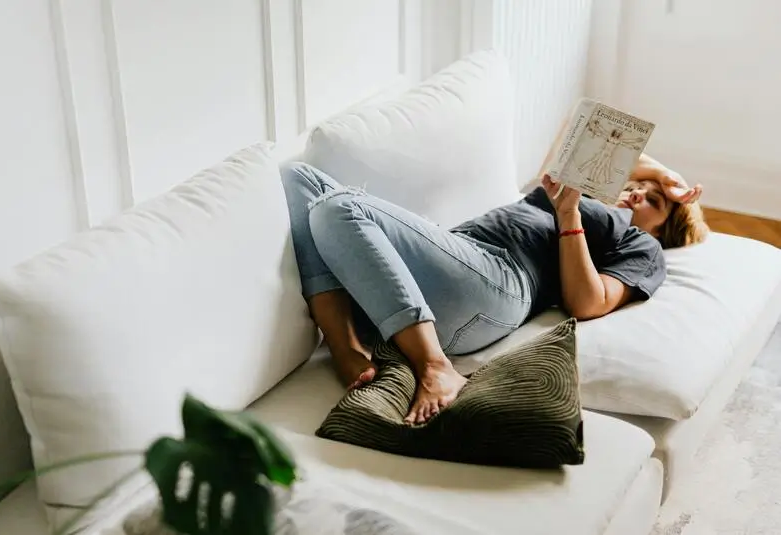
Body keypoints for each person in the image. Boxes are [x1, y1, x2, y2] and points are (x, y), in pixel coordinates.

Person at [280, 152, 709, 426]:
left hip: (498, 285)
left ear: (666, 228)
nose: (636, 195)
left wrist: (569, 215)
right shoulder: (588, 195)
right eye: (634, 187)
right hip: (448, 262)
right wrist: (664, 175)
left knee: (340, 207)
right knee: (298, 176)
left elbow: (589, 302)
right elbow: (595, 148)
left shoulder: (643, 246)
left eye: (653, 201)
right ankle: (347, 346)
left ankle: (434, 366)